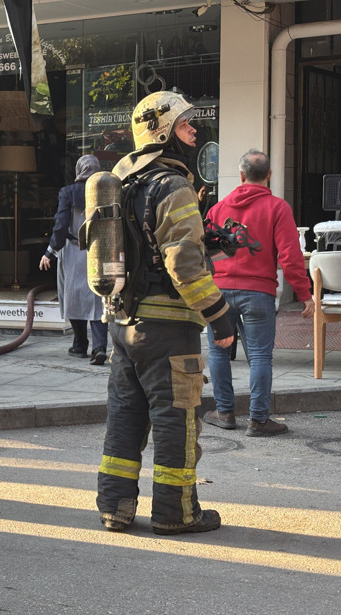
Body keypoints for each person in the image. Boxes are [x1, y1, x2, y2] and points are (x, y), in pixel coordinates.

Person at [96, 91, 235, 536]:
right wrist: (219, 314)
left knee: (125, 416)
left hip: (124, 324)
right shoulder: (173, 185)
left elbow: (149, 249)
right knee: (177, 418)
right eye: (184, 124)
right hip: (168, 328)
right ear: (162, 132)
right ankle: (177, 513)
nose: (194, 131)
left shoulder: (129, 183)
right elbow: (181, 263)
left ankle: (115, 508)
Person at [204, 149, 314, 437]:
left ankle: (224, 412)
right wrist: (305, 295)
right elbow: (291, 257)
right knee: (261, 356)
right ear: (269, 175)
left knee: (218, 352)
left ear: (241, 176)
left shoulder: (218, 208)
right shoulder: (278, 208)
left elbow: (204, 251)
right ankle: (258, 419)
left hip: (218, 291)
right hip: (258, 292)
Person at [39, 154, 108, 365]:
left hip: (73, 251)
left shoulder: (68, 192)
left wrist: (50, 252)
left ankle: (79, 345)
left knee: (74, 296)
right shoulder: (106, 190)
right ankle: (100, 346)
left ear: (79, 169)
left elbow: (60, 226)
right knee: (98, 298)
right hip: (99, 250)